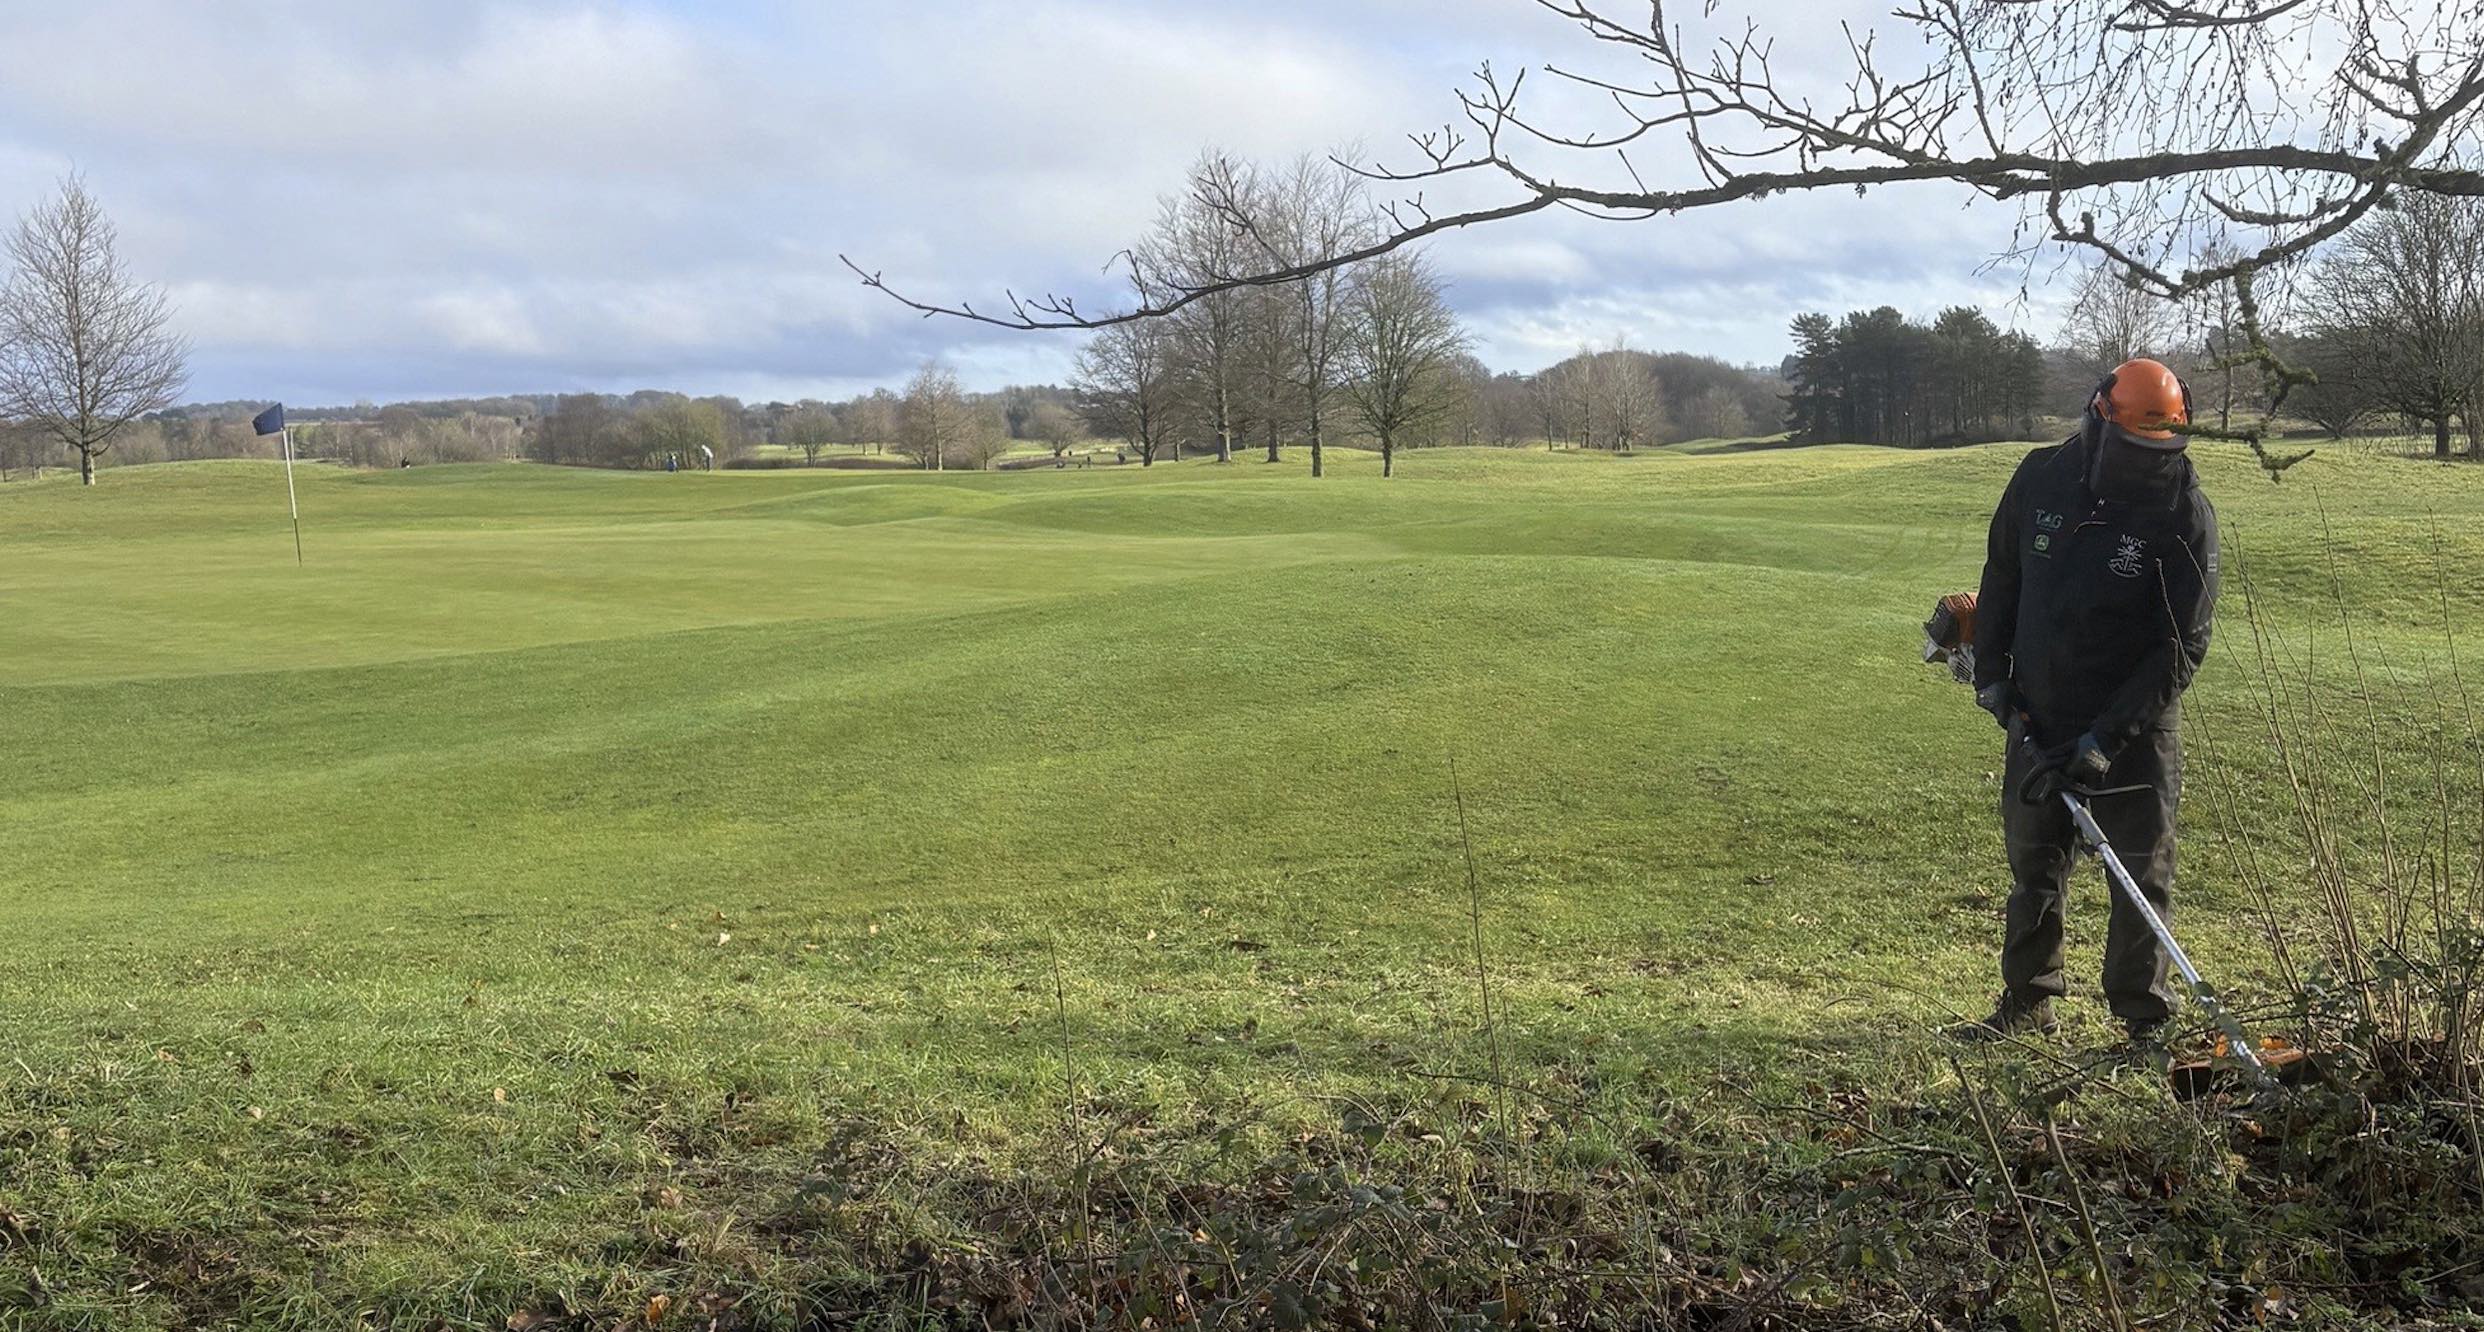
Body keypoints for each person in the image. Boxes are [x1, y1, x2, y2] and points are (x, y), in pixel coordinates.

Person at [1959, 357, 2219, 1051]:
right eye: (2135, 448)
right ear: (2098, 421)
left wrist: (2107, 738)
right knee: (2034, 865)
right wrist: (1993, 675)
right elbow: (2003, 575)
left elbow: (2181, 644)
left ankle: (2143, 1021)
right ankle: (2028, 1001)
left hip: (2134, 723)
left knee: (2140, 873)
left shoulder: (2182, 511)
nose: (2147, 463)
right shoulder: (2041, 477)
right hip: (2039, 711)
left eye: (2160, 450)